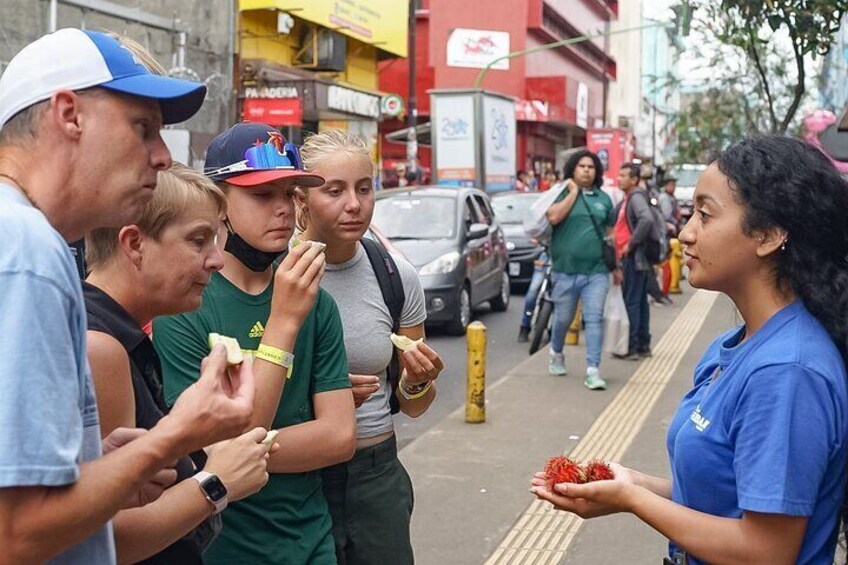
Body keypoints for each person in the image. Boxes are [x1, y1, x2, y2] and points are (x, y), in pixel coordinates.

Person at [0, 29, 256, 563]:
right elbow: (17, 531)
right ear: (69, 115)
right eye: (143, 128)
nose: (162, 156)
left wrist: (113, 467)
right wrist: (179, 433)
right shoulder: (27, 250)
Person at [531, 135, 848, 564]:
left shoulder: (787, 371)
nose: (685, 233)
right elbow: (724, 497)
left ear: (770, 235)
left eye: (704, 214)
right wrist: (631, 483)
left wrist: (631, 500)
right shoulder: (732, 346)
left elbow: (766, 550)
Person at [154, 122, 356, 564]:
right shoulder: (186, 305)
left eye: (290, 194)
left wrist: (247, 447)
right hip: (225, 548)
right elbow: (220, 451)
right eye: (263, 196)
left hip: (313, 541)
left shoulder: (315, 301)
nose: (283, 209)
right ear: (219, 204)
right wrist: (283, 322)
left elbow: (340, 436)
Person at [84, 164, 274, 563]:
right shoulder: (101, 348)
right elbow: (115, 537)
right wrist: (216, 483)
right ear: (134, 244)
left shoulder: (119, 333)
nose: (217, 260)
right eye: (199, 241)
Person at [294, 129, 445, 564]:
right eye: (334, 190)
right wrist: (323, 390)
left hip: (376, 474)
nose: (354, 205)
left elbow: (413, 404)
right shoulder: (276, 274)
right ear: (301, 200)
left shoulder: (395, 276)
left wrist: (418, 382)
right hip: (300, 479)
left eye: (364, 188)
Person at [545, 150, 614, 390]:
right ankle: (556, 352)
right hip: (564, 271)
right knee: (563, 318)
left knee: (594, 318)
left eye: (591, 167)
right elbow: (553, 217)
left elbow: (610, 234)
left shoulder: (604, 199)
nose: (586, 170)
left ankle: (593, 370)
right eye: (582, 166)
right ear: (573, 169)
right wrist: (573, 192)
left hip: (596, 272)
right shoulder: (560, 193)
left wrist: (617, 265)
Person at [613, 162, 656, 360]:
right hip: (637, 258)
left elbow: (646, 219)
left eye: (623, 175)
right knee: (639, 301)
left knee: (632, 301)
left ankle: (632, 347)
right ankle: (643, 345)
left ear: (634, 179)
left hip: (634, 258)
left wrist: (630, 244)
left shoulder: (636, 197)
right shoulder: (628, 198)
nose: (619, 178)